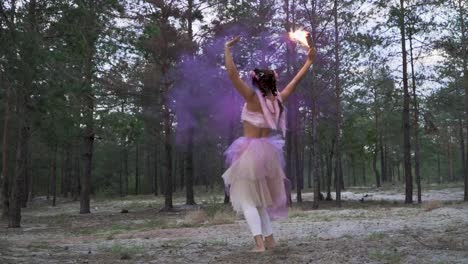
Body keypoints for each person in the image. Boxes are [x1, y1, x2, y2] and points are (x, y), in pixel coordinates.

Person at [222, 35, 317, 252]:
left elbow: (232, 74)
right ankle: (270, 240)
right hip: (268, 153)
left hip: (250, 153)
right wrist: (308, 62)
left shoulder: (253, 99)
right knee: (259, 201)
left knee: (247, 201)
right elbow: (295, 81)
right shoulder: (278, 100)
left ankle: (259, 244)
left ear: (256, 83)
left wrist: (227, 49)